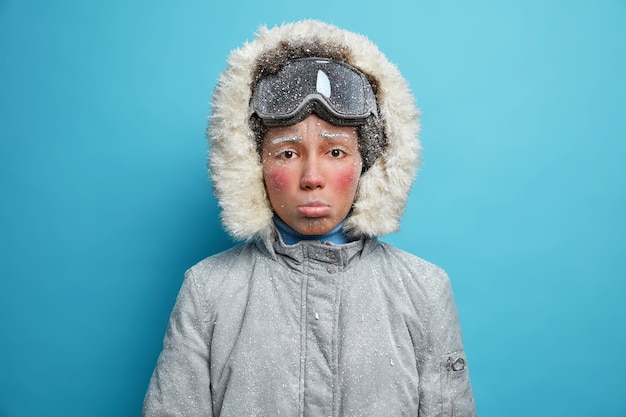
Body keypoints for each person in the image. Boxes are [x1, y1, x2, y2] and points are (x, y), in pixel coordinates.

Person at [143, 20, 476, 416]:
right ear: (252, 165)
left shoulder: (423, 291)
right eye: (287, 152)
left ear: (368, 163)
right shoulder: (208, 291)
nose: (312, 178)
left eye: (336, 152)